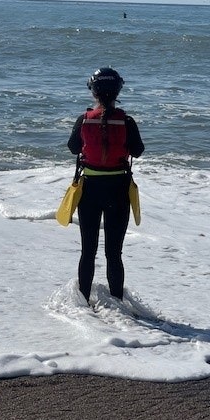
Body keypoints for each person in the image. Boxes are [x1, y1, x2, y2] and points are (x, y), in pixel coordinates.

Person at [67, 67, 145, 303]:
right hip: (118, 190)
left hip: (90, 189)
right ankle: (117, 304)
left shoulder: (84, 120)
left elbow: (72, 147)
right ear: (118, 90)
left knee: (87, 251)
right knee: (114, 253)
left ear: (93, 91)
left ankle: (82, 303)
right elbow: (138, 151)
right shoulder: (127, 121)